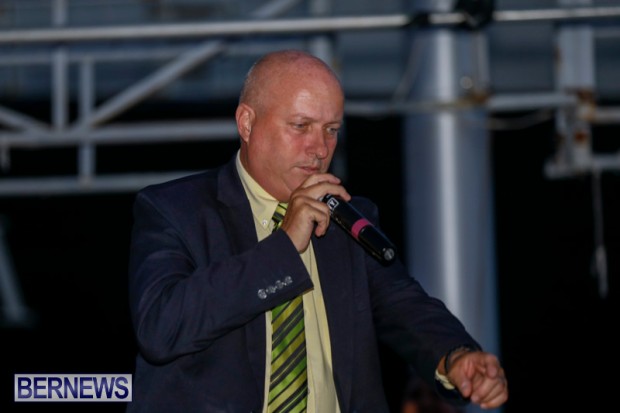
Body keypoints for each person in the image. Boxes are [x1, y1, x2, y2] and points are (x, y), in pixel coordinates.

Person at [126, 49, 508, 413]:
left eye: (331, 129)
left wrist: (456, 356)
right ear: (247, 123)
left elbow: (404, 306)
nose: (320, 148)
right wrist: (283, 248)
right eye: (301, 126)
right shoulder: (177, 210)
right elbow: (161, 328)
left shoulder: (348, 217)